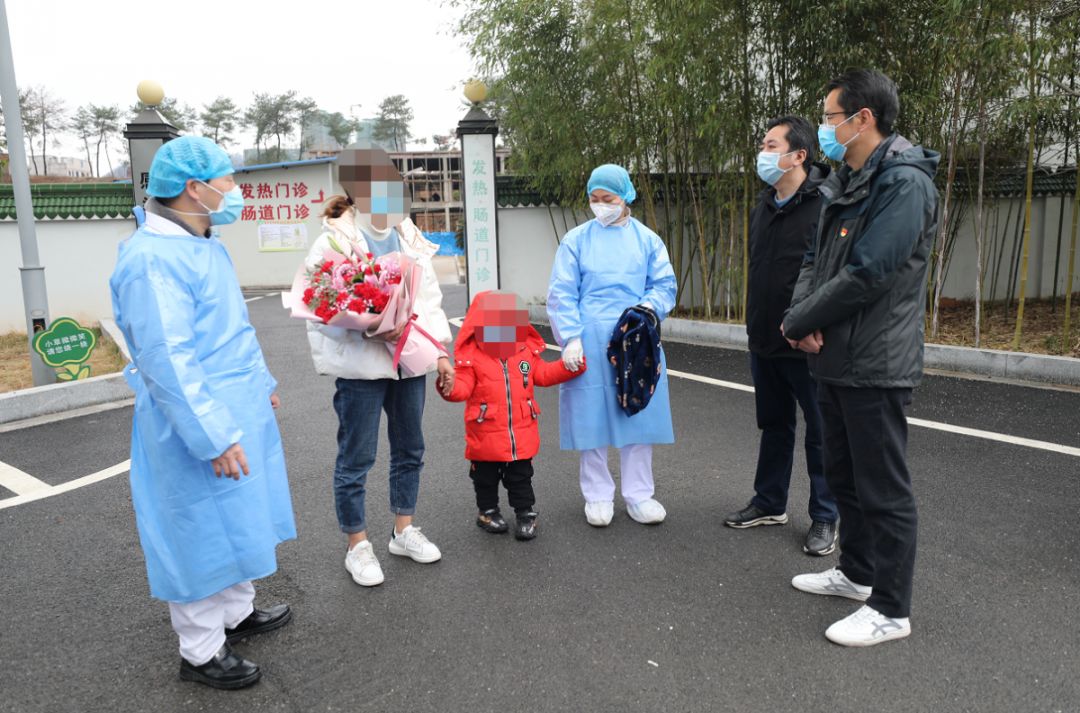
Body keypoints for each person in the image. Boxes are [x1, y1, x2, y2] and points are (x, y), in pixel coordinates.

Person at [109, 136, 296, 689]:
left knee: (238, 514)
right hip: (194, 418)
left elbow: (232, 327)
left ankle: (235, 613)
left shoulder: (204, 241)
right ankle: (200, 650)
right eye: (227, 179)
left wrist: (261, 383)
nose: (234, 190)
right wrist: (213, 436)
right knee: (196, 528)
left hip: (236, 403)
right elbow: (168, 359)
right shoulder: (150, 260)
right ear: (195, 188)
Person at [782, 69, 940, 647]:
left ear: (861, 118)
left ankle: (892, 609)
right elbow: (813, 263)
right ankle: (856, 574)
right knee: (842, 474)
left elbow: (869, 271)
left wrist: (803, 321)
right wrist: (799, 321)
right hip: (833, 355)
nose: (825, 128)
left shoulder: (904, 183)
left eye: (828, 117)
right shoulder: (846, 179)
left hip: (874, 360)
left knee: (883, 488)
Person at [304, 147, 454, 588]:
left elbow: (428, 302)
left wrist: (441, 354)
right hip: (361, 367)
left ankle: (403, 530)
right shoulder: (334, 239)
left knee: (411, 447)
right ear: (358, 190)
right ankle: (358, 545)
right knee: (357, 457)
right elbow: (320, 303)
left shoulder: (409, 235)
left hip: (410, 363)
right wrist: (369, 326)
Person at [724, 116, 840, 557]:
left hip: (806, 341)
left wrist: (813, 325)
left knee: (821, 430)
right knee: (773, 424)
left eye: (771, 145)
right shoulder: (764, 203)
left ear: (799, 155)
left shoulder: (828, 202)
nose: (763, 152)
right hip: (765, 338)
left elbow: (831, 275)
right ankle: (770, 502)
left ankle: (825, 515)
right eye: (763, 143)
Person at [547, 164, 677, 527]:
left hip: (635, 336)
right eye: (594, 199)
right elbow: (561, 291)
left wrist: (649, 308)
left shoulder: (648, 240)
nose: (601, 205)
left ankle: (640, 494)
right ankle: (597, 495)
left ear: (626, 197)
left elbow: (664, 284)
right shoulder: (576, 240)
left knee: (638, 412)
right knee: (592, 416)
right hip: (589, 335)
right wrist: (570, 336)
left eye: (609, 199)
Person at [439, 290, 585, 540]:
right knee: (485, 477)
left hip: (521, 432)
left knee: (521, 476)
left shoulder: (524, 353)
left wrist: (570, 366)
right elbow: (462, 388)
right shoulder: (471, 357)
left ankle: (525, 513)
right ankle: (487, 511)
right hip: (485, 432)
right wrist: (449, 386)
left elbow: (543, 374)